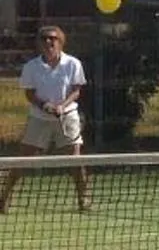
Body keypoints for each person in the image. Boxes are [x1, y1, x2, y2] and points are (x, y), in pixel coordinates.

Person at [2, 25, 94, 214]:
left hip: (67, 117)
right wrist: (45, 106)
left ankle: (83, 198)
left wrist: (62, 105)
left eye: (53, 38)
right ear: (39, 43)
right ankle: (4, 198)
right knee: (23, 159)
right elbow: (29, 93)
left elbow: (77, 90)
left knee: (75, 159)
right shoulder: (31, 67)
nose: (48, 42)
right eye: (44, 38)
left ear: (61, 42)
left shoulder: (73, 64)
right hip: (39, 117)